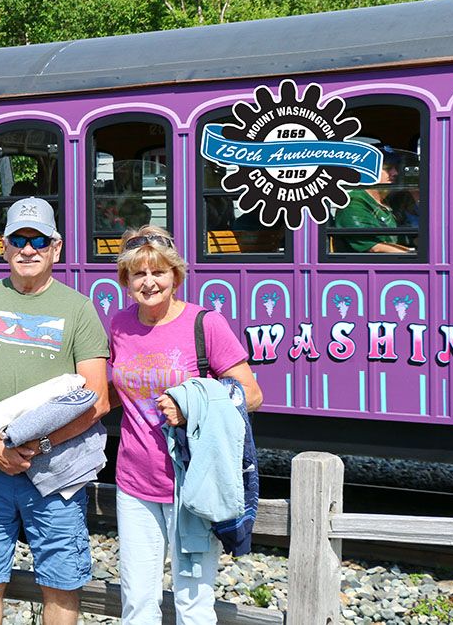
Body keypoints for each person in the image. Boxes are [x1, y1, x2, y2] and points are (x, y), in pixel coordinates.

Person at [0, 196, 110, 625]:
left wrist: (40, 443)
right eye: (18, 238)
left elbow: (98, 398)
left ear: (56, 247)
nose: (28, 248)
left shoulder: (79, 308)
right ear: (3, 245)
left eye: (39, 239)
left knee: (61, 583)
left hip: (54, 474)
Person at [108, 224, 263, 624]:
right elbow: (111, 393)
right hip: (134, 482)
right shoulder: (120, 325)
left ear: (175, 275)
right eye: (138, 273)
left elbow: (252, 393)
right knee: (137, 603)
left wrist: (191, 405)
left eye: (158, 272)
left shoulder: (205, 323)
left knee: (193, 604)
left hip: (192, 484)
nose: (149, 282)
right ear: (125, 280)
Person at [333, 149, 411, 253]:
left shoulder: (389, 202)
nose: (395, 173)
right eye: (388, 168)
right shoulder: (354, 203)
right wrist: (411, 254)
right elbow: (374, 247)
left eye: (396, 168)